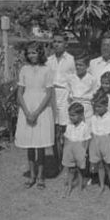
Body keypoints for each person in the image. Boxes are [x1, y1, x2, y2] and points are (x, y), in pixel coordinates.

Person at [15, 41, 54, 190]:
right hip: (27, 106)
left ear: (40, 53)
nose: (32, 55)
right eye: (29, 53)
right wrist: (26, 111)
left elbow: (49, 93)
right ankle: (31, 175)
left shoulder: (47, 70)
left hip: (42, 109)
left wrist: (37, 112)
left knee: (40, 144)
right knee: (30, 145)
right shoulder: (24, 69)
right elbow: (19, 92)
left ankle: (40, 176)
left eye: (35, 52)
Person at [47, 32, 76, 171]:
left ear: (65, 44)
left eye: (59, 42)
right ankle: (57, 161)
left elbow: (74, 79)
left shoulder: (71, 60)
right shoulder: (49, 60)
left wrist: (72, 96)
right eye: (55, 41)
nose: (56, 44)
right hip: (52, 95)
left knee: (65, 129)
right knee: (54, 129)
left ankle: (66, 160)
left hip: (65, 95)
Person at [88, 71, 110, 185]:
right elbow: (95, 111)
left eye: (107, 83)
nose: (105, 86)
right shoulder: (99, 94)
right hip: (100, 127)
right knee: (98, 153)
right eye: (103, 83)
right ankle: (97, 175)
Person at [89, 91, 110, 195]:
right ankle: (101, 185)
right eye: (96, 107)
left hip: (107, 142)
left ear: (106, 105)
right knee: (100, 165)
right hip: (96, 142)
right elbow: (92, 133)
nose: (97, 109)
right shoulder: (93, 118)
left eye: (100, 107)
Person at [61, 102, 91, 197]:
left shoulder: (84, 127)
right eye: (70, 115)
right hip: (70, 149)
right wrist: (65, 150)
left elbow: (87, 140)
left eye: (73, 115)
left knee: (80, 170)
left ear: (81, 115)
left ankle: (80, 187)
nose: (71, 117)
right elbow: (66, 138)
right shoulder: (69, 126)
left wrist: (85, 151)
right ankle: (70, 186)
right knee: (71, 169)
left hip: (80, 150)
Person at [67, 54, 98, 125]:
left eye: (81, 65)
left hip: (87, 109)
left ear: (87, 66)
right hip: (74, 108)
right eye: (76, 65)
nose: (78, 67)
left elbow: (95, 98)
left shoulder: (92, 79)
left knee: (86, 130)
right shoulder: (71, 78)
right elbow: (68, 95)